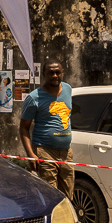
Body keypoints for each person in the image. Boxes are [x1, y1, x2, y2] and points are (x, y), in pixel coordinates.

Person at [20, 60, 74, 198]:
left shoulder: (68, 89)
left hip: (66, 152)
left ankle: (66, 220)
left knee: (68, 195)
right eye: (51, 72)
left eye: (58, 72)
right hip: (45, 151)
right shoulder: (34, 98)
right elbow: (24, 128)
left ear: (62, 73)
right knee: (51, 195)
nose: (55, 75)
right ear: (44, 74)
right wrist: (31, 154)